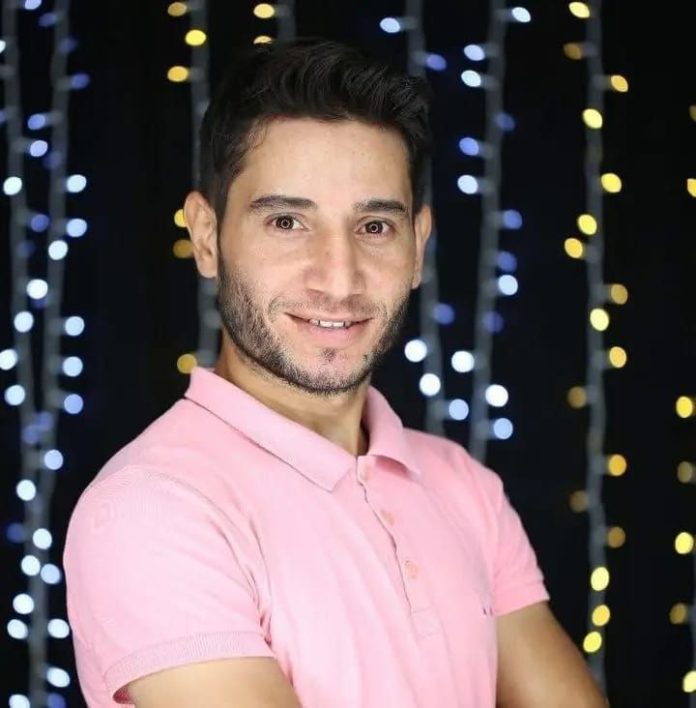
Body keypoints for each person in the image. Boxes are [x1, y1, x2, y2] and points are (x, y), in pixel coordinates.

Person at [63, 38, 607, 708]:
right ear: (206, 236)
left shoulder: (462, 485)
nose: (339, 278)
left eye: (374, 227)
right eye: (287, 221)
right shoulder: (153, 508)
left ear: (418, 246)